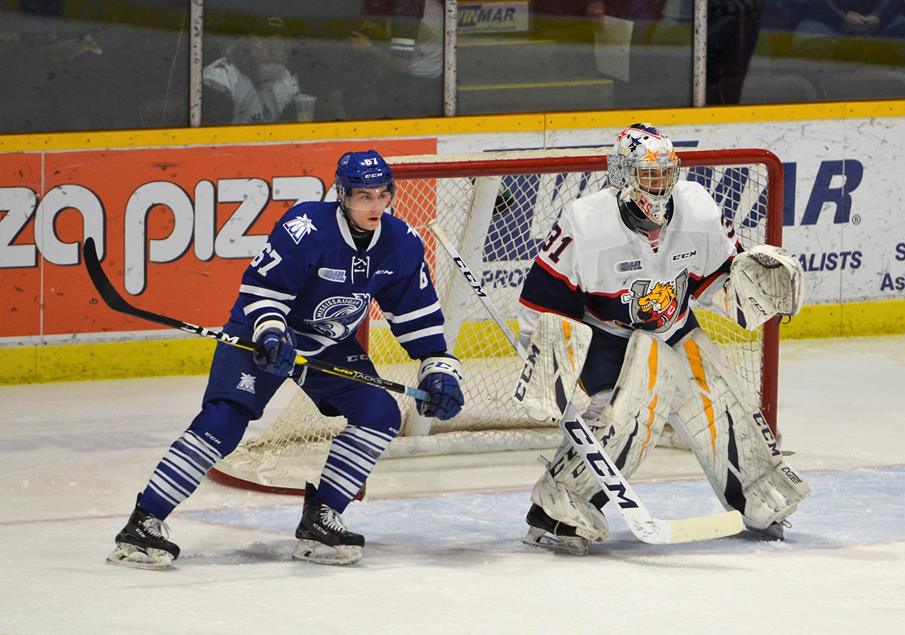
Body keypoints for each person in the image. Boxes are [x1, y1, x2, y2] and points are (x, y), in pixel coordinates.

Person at [107, 150, 464, 569]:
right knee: (226, 419)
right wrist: (273, 334)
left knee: (379, 413)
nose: (374, 205)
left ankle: (321, 518)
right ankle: (144, 522)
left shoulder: (401, 242)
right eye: (363, 196)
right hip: (265, 332)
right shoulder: (306, 227)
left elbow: (416, 316)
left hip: (327, 343)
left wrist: (439, 368)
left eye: (381, 195)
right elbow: (262, 290)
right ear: (343, 196)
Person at [514, 123, 810, 555]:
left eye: (665, 173)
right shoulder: (586, 224)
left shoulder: (699, 209)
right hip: (609, 337)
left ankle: (758, 495)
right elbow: (541, 304)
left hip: (675, 327)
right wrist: (548, 362)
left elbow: (720, 280)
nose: (659, 184)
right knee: (626, 415)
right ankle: (556, 512)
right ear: (622, 174)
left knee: (720, 401)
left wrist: (748, 289)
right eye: (648, 174)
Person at [202, 16, 301, 124]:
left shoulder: (286, 80)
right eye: (264, 41)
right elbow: (213, 137)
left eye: (281, 43)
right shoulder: (220, 77)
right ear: (243, 45)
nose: (274, 51)